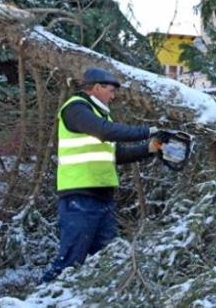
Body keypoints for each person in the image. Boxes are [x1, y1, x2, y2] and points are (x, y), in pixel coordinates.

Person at [41, 66, 160, 283]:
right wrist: (148, 130)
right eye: (111, 91)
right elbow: (106, 131)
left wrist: (151, 148)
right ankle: (42, 298)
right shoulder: (76, 109)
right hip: (80, 197)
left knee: (107, 261)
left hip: (103, 198)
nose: (113, 97)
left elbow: (116, 154)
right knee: (70, 261)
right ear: (96, 87)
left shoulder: (98, 115)